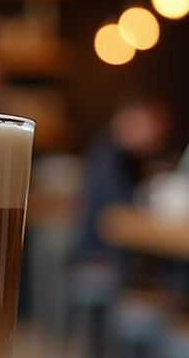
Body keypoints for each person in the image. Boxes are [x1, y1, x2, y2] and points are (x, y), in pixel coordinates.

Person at [70, 96, 172, 262]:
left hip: (99, 259)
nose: (156, 134)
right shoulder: (110, 155)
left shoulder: (116, 152)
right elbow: (117, 207)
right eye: (150, 125)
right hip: (96, 261)